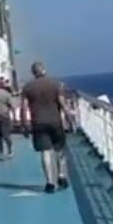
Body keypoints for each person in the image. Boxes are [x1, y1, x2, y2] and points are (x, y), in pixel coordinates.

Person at [20, 61, 71, 193]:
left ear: (33, 73)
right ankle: (61, 176)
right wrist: (70, 120)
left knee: (45, 152)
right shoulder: (56, 84)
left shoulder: (28, 87)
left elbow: (24, 108)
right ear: (44, 70)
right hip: (55, 122)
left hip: (38, 123)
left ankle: (50, 183)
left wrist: (24, 124)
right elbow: (63, 105)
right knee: (59, 150)